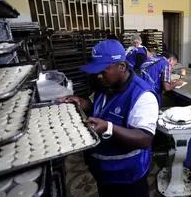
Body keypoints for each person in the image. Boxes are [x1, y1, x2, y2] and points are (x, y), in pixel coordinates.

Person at [58, 39, 159, 197]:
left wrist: (108, 128)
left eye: (103, 70)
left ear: (122, 66)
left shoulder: (142, 95)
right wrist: (82, 103)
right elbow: (100, 108)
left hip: (126, 176)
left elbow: (145, 138)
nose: (98, 76)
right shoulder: (106, 86)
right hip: (103, 170)